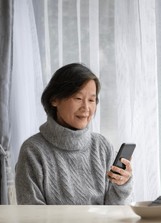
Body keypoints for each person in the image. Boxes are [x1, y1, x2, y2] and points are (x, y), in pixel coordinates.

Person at [15, 63, 133, 205]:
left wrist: (122, 185)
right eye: (78, 98)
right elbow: (32, 215)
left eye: (91, 100)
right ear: (54, 99)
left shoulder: (103, 147)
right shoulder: (33, 150)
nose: (86, 108)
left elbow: (114, 211)